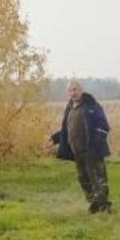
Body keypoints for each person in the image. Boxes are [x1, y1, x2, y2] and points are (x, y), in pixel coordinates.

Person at [45, 80, 112, 213]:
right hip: (77, 152)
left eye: (75, 89)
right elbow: (66, 129)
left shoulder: (92, 106)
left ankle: (105, 207)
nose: (73, 93)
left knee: (98, 180)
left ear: (81, 90)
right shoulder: (69, 108)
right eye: (70, 90)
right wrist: (54, 139)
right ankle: (94, 204)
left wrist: (95, 145)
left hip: (92, 151)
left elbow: (104, 127)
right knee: (84, 181)